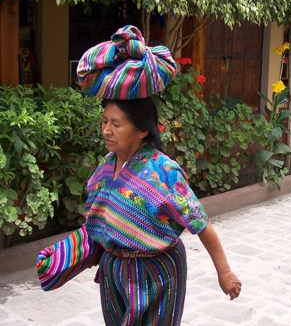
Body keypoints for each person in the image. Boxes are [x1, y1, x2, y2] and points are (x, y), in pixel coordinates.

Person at [76, 25, 241, 325]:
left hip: (157, 276)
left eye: (116, 123)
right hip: (115, 272)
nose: (106, 130)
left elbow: (200, 223)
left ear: (142, 130)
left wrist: (224, 272)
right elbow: (97, 220)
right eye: (104, 121)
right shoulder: (105, 168)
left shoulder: (163, 172)